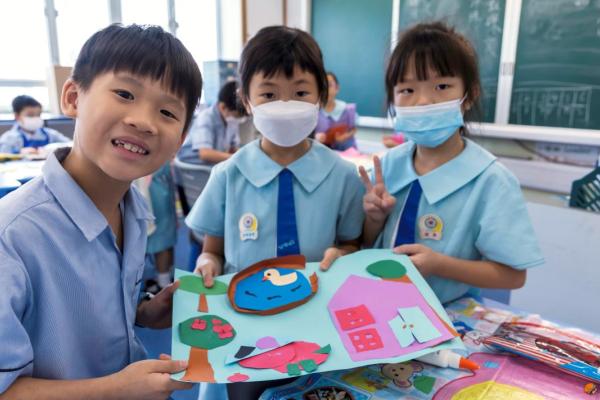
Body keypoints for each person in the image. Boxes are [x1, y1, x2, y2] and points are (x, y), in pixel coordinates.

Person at [0, 24, 202, 399]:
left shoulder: (134, 210)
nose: (143, 121)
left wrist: (143, 313)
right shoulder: (11, 236)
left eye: (167, 112)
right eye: (125, 94)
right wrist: (114, 390)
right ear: (73, 98)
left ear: (180, 140)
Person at [185, 26, 365, 400]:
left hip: (318, 325)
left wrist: (344, 254)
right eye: (268, 94)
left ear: (322, 96)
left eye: (300, 93)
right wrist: (206, 264)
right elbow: (211, 250)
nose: (285, 105)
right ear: (246, 100)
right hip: (244, 327)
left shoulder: (344, 176)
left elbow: (352, 243)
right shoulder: (228, 175)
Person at [360, 21, 544, 305]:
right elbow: (364, 244)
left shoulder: (491, 181)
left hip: (450, 314)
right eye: (407, 90)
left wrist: (440, 265)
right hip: (379, 306)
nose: (423, 101)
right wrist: (374, 219)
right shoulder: (387, 167)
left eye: (442, 86)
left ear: (470, 96)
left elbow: (513, 276)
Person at [177, 81, 247, 165]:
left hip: (211, 162)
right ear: (223, 107)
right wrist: (237, 159)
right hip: (192, 165)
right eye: (237, 116)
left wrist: (243, 156)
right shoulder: (206, 118)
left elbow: (233, 148)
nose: (239, 119)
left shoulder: (230, 120)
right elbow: (205, 154)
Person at [0, 95, 70, 154]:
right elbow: (3, 156)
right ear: (17, 116)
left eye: (38, 115)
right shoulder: (9, 138)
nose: (35, 118)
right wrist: (18, 153)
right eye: (30, 115)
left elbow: (69, 145)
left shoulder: (49, 134)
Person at [315, 72, 357, 151]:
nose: (326, 89)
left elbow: (354, 129)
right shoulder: (315, 111)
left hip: (346, 151)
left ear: (337, 88)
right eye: (322, 86)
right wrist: (316, 137)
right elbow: (309, 136)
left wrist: (346, 136)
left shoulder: (347, 109)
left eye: (329, 85)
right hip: (323, 151)